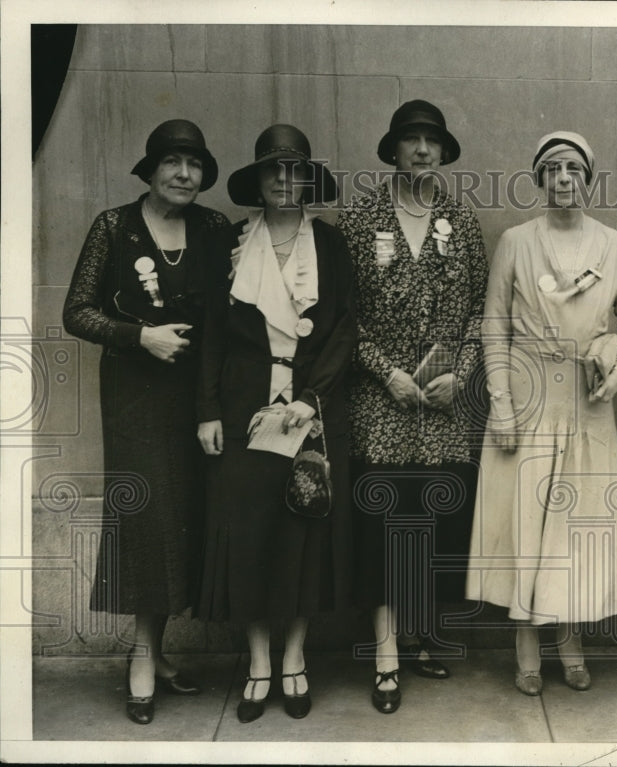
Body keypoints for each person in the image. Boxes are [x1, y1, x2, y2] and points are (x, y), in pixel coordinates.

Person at [63, 119, 230, 724]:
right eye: (173, 163)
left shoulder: (211, 227)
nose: (185, 175)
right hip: (136, 397)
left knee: (185, 519)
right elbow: (75, 313)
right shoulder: (113, 226)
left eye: (195, 165)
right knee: (148, 523)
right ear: (150, 169)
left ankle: (158, 654)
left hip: (202, 396)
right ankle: (140, 656)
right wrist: (141, 337)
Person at [466, 131, 617, 695]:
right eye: (553, 170)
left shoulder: (612, 243)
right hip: (528, 392)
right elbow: (494, 322)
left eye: (574, 169)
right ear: (540, 179)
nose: (564, 179)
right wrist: (501, 401)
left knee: (574, 526)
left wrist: (616, 372)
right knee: (527, 522)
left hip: (587, 402)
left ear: (588, 179)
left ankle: (570, 641)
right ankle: (525, 645)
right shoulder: (517, 241)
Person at [195, 124, 356, 722]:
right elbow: (214, 334)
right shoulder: (232, 245)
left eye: (296, 173)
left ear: (309, 182)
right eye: (274, 173)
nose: (285, 184)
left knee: (303, 532)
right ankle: (258, 662)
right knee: (248, 535)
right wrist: (208, 410)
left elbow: (344, 330)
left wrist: (311, 398)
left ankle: (295, 659)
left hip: (311, 411)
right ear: (258, 183)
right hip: (242, 411)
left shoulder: (332, 247)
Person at [337, 100, 488, 714]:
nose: (421, 149)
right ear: (393, 150)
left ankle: (422, 634)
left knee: (433, 521)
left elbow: (483, 307)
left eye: (431, 140)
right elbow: (340, 318)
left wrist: (463, 371)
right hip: (383, 401)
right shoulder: (360, 219)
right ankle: (385, 652)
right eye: (410, 140)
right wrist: (386, 372)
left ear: (443, 152)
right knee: (383, 524)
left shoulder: (462, 219)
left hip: (444, 403)